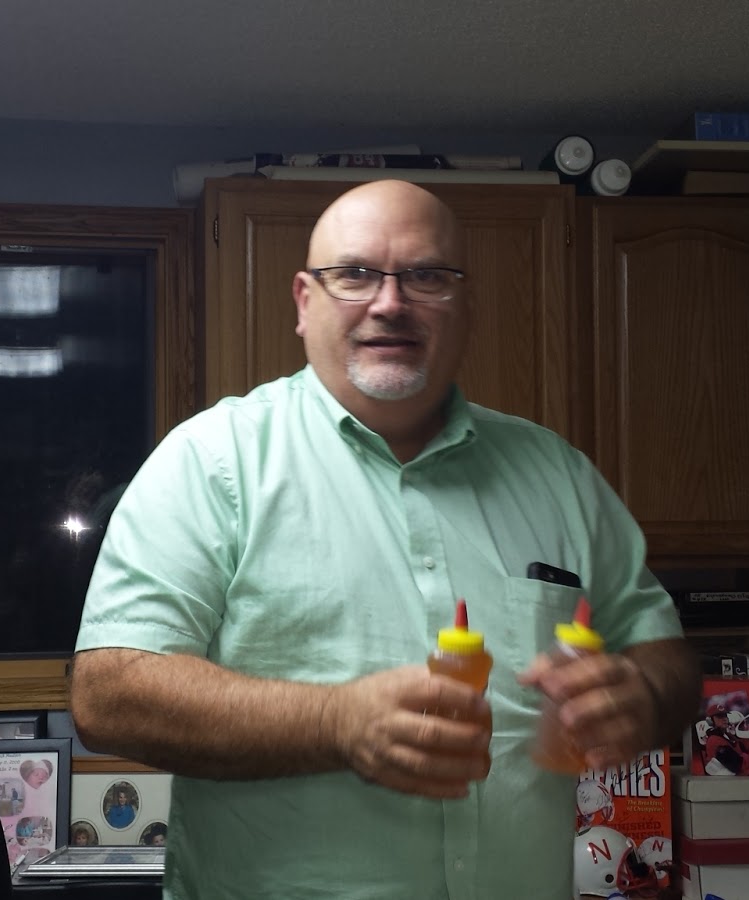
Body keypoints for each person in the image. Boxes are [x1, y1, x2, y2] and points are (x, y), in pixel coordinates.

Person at [69, 179, 701, 899]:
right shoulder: (213, 461)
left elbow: (670, 662)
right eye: (355, 274)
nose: (390, 302)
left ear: (466, 306)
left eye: (426, 276)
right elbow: (109, 694)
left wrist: (644, 695)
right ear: (304, 302)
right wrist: (335, 724)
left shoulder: (562, 478)